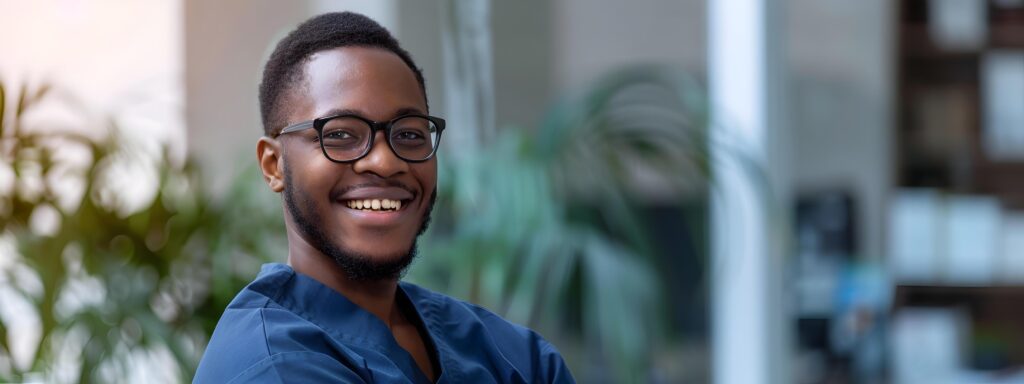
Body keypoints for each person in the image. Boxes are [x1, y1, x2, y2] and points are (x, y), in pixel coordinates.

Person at [193, 11, 574, 383]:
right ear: (274, 164)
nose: (385, 161)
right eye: (340, 134)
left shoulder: (509, 354)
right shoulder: (271, 366)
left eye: (409, 134)